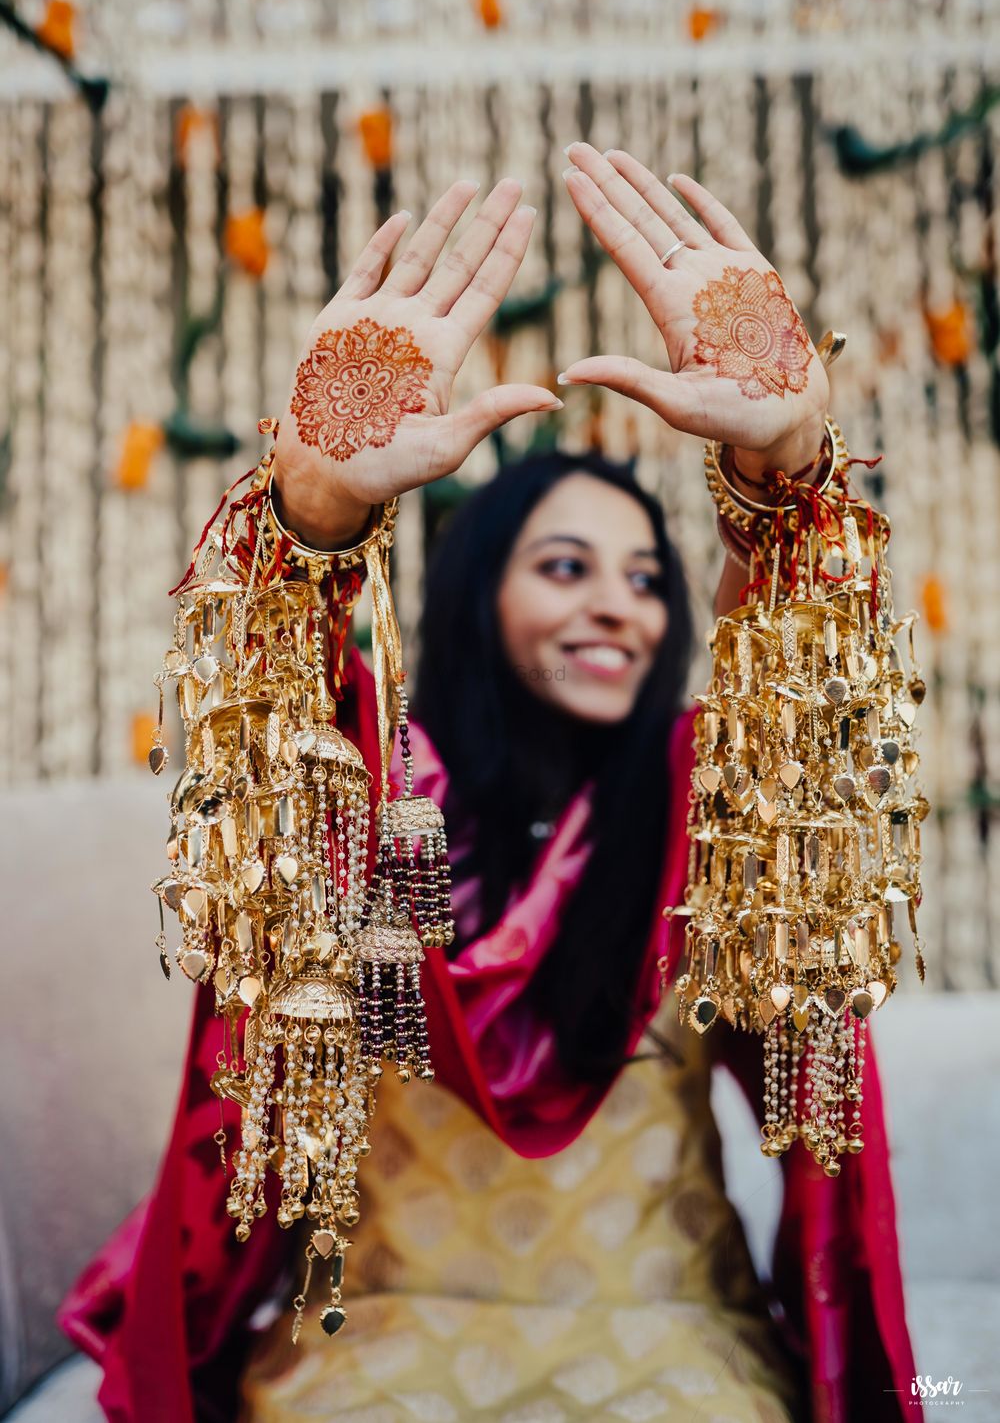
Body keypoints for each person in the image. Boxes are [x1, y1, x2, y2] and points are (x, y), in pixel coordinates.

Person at [60, 146, 922, 1423]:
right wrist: (311, 516)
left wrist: (787, 478)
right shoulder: (368, 792)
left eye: (644, 580)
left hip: (670, 1336)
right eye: (565, 566)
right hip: (376, 1336)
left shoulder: (707, 801)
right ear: (481, 592)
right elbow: (262, 742)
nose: (616, 609)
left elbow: (795, 727)